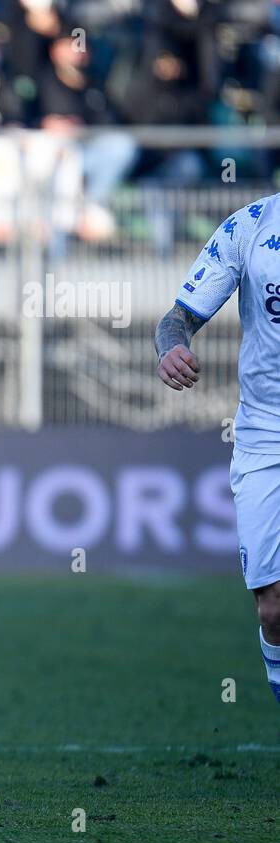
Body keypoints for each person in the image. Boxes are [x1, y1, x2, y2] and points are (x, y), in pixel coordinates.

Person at [155, 193, 280, 705]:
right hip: (265, 436)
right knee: (273, 608)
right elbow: (178, 316)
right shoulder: (252, 225)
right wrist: (171, 348)